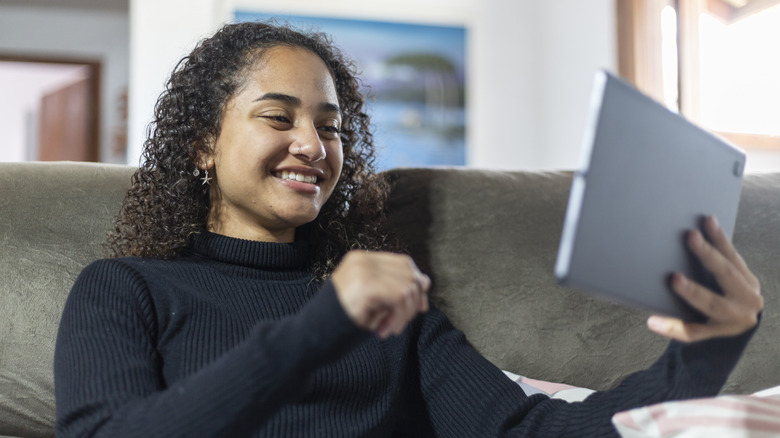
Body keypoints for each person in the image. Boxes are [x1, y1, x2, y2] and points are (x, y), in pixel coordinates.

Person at [54, 21, 763, 437]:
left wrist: (709, 350)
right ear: (202, 143)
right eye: (279, 118)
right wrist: (321, 328)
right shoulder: (124, 289)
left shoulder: (389, 308)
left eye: (329, 128)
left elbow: (529, 433)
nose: (312, 144)